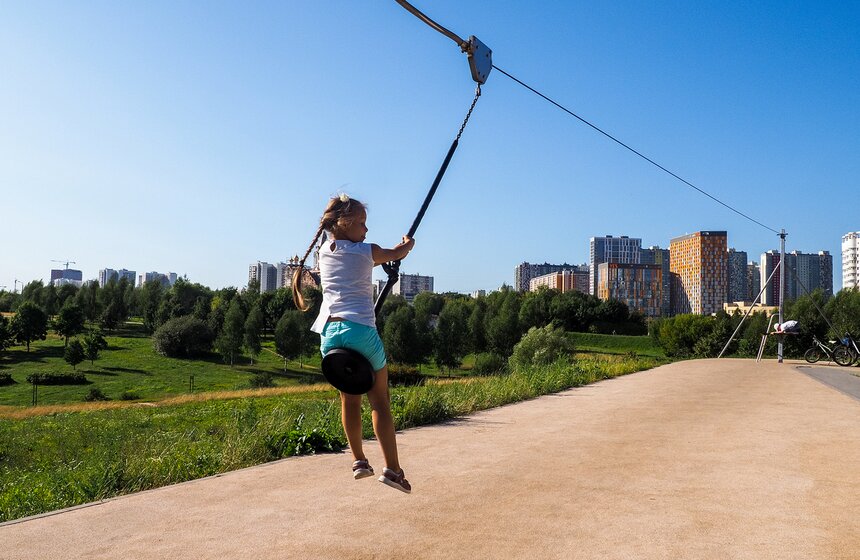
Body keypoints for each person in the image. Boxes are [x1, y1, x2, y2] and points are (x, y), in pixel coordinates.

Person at [292, 193, 415, 493]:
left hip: (329, 335)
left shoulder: (323, 251)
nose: (366, 229)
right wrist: (408, 243)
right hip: (360, 331)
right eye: (362, 223)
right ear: (345, 223)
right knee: (380, 401)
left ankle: (359, 460)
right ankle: (393, 470)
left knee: (349, 398)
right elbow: (397, 252)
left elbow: (350, 261)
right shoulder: (365, 252)